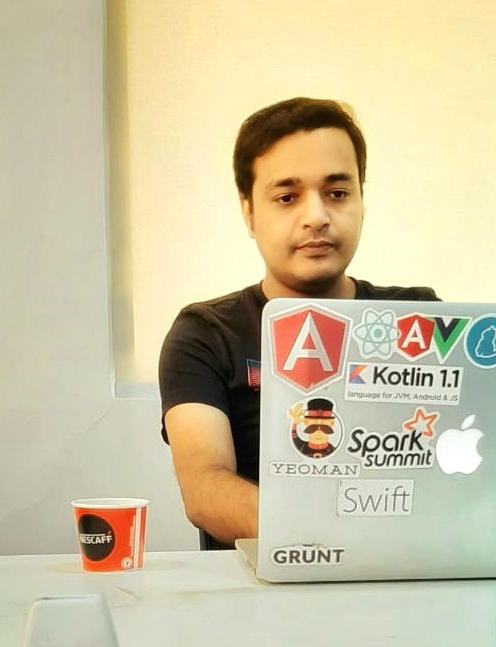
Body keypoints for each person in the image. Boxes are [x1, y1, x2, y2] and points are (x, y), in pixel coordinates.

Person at [158, 97, 439, 548]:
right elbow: (205, 490)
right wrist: (344, 536)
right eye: (287, 198)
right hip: (256, 585)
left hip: (402, 577)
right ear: (249, 212)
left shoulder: (420, 319)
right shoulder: (205, 334)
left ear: (362, 201)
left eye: (338, 193)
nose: (316, 217)